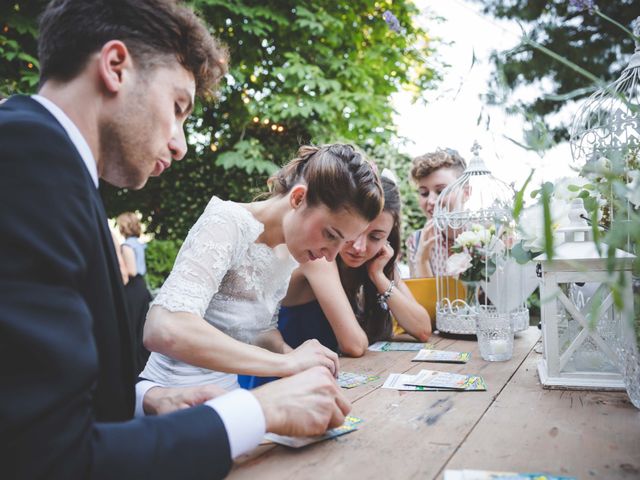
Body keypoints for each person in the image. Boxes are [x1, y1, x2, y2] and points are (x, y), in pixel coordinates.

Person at [0, 1, 350, 478]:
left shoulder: (55, 167)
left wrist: (151, 400)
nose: (181, 144)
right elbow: (45, 459)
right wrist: (258, 412)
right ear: (116, 66)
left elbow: (42, 399)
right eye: (178, 107)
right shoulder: (24, 159)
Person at [140, 143, 384, 390]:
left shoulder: (289, 252)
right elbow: (164, 328)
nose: (331, 256)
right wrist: (286, 364)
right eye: (331, 234)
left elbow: (259, 332)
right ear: (298, 198)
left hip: (226, 393)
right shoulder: (228, 222)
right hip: (170, 393)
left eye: (342, 242)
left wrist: (297, 359)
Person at [241, 174, 431, 388]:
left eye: (375, 237)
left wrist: (379, 277)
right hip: (282, 379)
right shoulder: (317, 256)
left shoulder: (376, 261)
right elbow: (354, 345)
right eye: (353, 234)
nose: (359, 247)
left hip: (329, 378)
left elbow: (422, 329)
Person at [406, 148, 467, 278]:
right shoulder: (416, 242)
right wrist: (422, 258)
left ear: (466, 193)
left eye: (440, 191)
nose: (431, 201)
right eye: (424, 193)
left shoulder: (488, 237)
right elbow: (421, 297)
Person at [116, 211, 153, 373]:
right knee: (140, 327)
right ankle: (142, 363)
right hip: (141, 287)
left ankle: (132, 365)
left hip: (132, 288)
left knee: (131, 327)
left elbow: (131, 271)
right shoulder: (138, 243)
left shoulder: (126, 246)